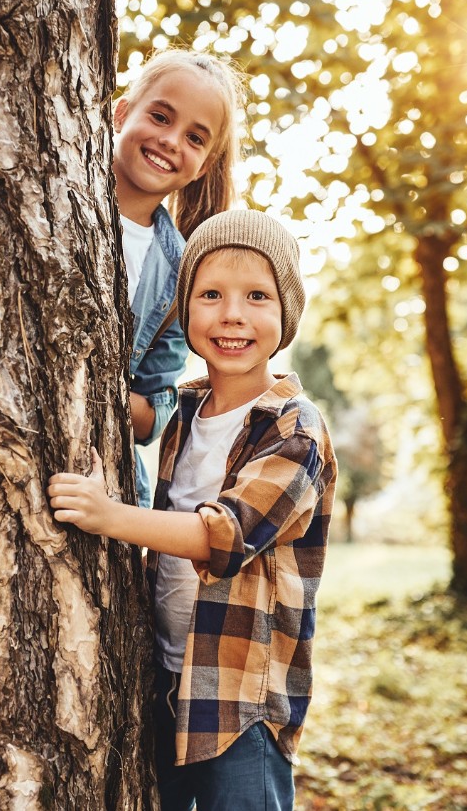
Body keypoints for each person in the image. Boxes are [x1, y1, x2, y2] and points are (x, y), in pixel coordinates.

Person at [48, 210, 336, 811]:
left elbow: (225, 536)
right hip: (166, 679)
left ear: (287, 313)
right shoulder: (186, 412)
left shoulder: (294, 429)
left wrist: (110, 517)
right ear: (185, 309)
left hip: (243, 700)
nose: (232, 314)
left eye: (257, 295)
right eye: (210, 295)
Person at [112, 49, 244, 507]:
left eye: (194, 137)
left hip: (97, 484)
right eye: (161, 116)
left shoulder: (181, 273)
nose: (171, 140)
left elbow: (156, 414)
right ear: (122, 113)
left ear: (203, 165)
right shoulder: (45, 190)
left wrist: (99, 387)